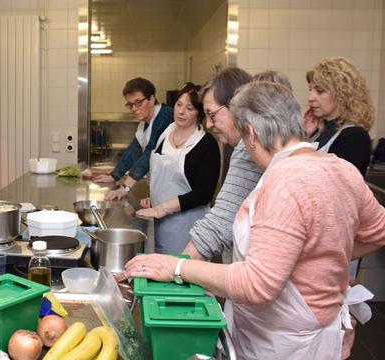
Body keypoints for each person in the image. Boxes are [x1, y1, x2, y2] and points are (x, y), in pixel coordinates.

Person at [126, 81, 385, 359]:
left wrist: (176, 267)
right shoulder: (341, 169)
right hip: (315, 331)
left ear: (250, 133)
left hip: (282, 343)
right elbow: (377, 232)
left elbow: (256, 283)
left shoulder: (286, 180)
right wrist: (318, 257)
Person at [180, 68, 261, 261]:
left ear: (237, 107)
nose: (208, 124)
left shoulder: (248, 149)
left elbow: (218, 225)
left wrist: (176, 268)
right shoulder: (247, 144)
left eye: (212, 115)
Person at [135, 83, 220, 254]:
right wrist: (154, 196)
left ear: (200, 113)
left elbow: (203, 194)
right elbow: (161, 175)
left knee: (181, 273)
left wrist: (163, 207)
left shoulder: (207, 145)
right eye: (179, 105)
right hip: (157, 223)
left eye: (189, 108)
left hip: (186, 227)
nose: (181, 112)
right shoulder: (164, 133)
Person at [93, 77, 173, 200]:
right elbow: (133, 150)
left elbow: (149, 153)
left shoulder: (165, 116)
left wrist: (125, 188)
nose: (134, 109)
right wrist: (114, 176)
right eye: (130, 105)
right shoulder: (144, 123)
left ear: (151, 99)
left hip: (177, 191)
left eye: (138, 102)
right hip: (162, 190)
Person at [304, 57, 373, 176]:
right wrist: (306, 136)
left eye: (319, 91)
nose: (310, 98)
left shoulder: (355, 137)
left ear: (342, 94)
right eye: (310, 90)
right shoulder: (322, 131)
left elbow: (334, 184)